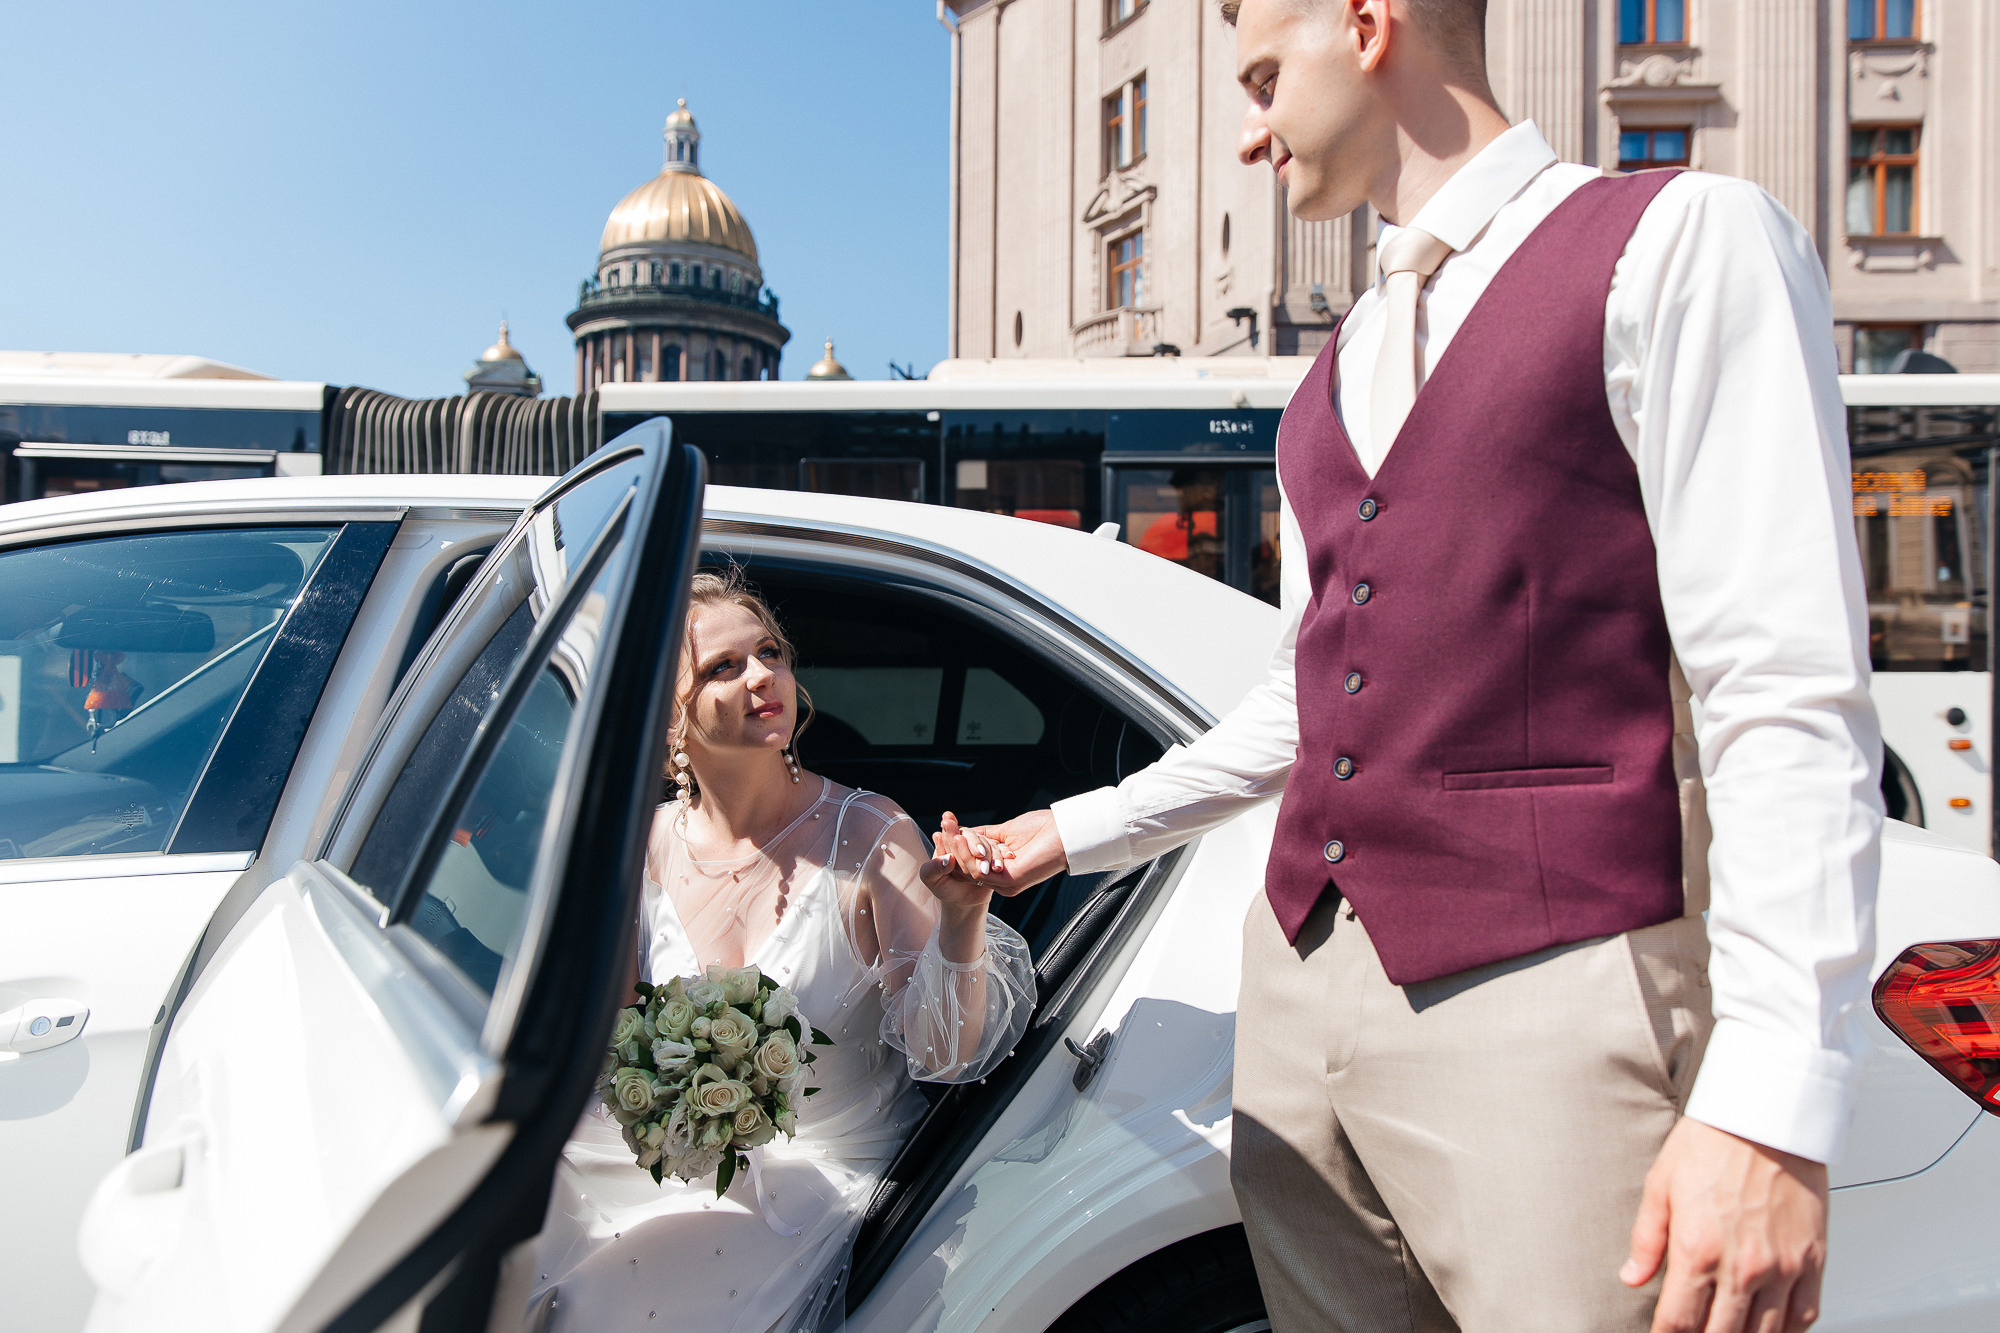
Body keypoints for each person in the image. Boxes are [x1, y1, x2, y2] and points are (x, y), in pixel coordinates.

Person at [965, 2, 1880, 1330]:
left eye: (1266, 79)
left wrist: (1773, 1098)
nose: (1245, 134)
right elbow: (1304, 700)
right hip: (1293, 1012)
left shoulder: (1682, 240)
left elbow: (1784, 687)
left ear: (1368, 23)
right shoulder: (1326, 374)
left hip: (1555, 999)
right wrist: (1058, 834)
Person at [527, 568, 1034, 1332]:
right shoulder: (649, 844)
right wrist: (666, 1109)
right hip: (687, 1168)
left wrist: (962, 916)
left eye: (771, 653)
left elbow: (950, 1055)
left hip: (834, 1178)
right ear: (673, 720)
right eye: (724, 667)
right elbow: (619, 1042)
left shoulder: (868, 835)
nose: (764, 675)